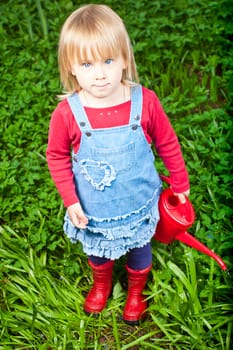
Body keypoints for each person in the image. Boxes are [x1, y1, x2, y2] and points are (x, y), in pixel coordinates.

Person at [46, 4, 190, 325]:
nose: (99, 73)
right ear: (72, 67)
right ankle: (102, 283)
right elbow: (56, 156)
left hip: (138, 203)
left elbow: (167, 142)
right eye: (87, 63)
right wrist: (70, 200)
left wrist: (180, 184)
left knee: (140, 250)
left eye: (108, 61)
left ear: (124, 59)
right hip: (93, 207)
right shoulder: (68, 113)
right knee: (97, 252)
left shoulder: (145, 101)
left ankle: (136, 292)